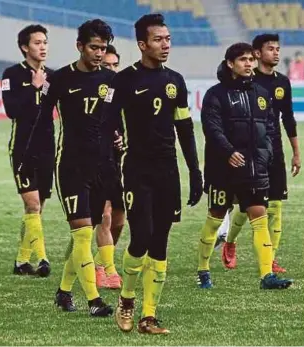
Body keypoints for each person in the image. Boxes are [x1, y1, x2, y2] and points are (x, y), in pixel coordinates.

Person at [104, 14, 202, 334]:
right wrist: (113, 141)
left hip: (167, 170)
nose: (165, 45)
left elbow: (185, 128)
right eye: (159, 40)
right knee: (141, 237)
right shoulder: (123, 80)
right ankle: (127, 300)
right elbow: (105, 121)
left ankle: (149, 316)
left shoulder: (176, 80)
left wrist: (195, 171)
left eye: (168, 39)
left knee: (160, 242)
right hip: (136, 169)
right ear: (142, 44)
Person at [197, 42, 293, 290]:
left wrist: (267, 155)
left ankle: (266, 275)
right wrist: (228, 152)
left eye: (251, 59)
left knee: (259, 215)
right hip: (222, 169)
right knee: (215, 219)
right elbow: (211, 128)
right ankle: (203, 268)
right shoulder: (215, 94)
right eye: (243, 60)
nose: (249, 64)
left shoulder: (261, 94)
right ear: (230, 64)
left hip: (254, 169)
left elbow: (271, 128)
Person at [41, 19, 115, 317]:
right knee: (84, 235)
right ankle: (94, 300)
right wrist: (36, 158)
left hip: (101, 166)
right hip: (70, 166)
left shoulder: (110, 80)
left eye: (104, 48)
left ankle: (63, 292)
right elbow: (41, 120)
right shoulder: (59, 79)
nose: (99, 53)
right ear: (80, 46)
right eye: (94, 47)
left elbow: (111, 122)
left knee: (86, 233)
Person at [221, 33, 301, 273]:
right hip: (249, 151)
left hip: (273, 150)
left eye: (278, 48)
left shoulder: (282, 82)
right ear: (257, 54)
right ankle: (230, 242)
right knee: (249, 206)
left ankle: (270, 258)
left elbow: (288, 118)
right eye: (270, 49)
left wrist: (296, 152)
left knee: (275, 206)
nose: (276, 53)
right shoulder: (246, 81)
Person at [1, 24, 53, 277]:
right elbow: (11, 110)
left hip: (47, 148)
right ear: (24, 47)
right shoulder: (11, 75)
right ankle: (43, 259)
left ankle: (22, 261)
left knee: (37, 208)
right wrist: (33, 86)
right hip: (23, 148)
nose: (42, 47)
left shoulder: (52, 76)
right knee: (32, 206)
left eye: (45, 42)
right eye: (37, 43)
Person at [93, 43, 125, 289]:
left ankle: (97, 263)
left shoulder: (123, 92)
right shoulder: (93, 92)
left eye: (116, 65)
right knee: (103, 217)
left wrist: (123, 139)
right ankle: (108, 271)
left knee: (119, 221)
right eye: (107, 65)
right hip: (94, 161)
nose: (112, 70)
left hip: (118, 164)